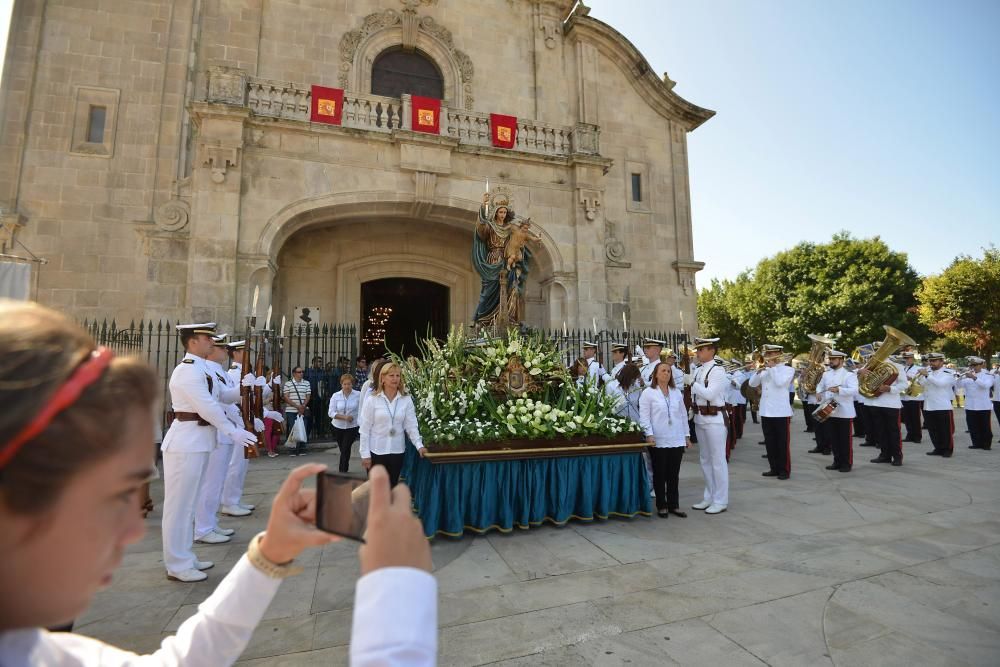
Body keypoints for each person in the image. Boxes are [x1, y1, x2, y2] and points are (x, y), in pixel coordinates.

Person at [159, 323, 259, 582]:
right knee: (178, 507)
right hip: (186, 443)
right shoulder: (187, 371)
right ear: (192, 342)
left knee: (189, 503)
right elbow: (207, 406)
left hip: (199, 442)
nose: (212, 343)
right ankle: (177, 564)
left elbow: (223, 396)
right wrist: (232, 431)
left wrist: (244, 388)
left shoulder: (203, 368)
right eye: (207, 339)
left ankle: (186, 556)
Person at [193, 334, 246, 546]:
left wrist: (251, 387)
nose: (225, 351)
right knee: (210, 482)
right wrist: (238, 424)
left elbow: (227, 397)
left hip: (225, 430)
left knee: (216, 481)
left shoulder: (218, 372)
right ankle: (203, 527)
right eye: (221, 348)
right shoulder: (205, 370)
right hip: (219, 430)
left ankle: (210, 522)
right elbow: (217, 404)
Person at [359, 362, 427, 487]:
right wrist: (365, 454)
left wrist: (419, 445)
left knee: (391, 487)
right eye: (391, 375)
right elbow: (364, 429)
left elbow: (411, 426)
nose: (395, 379)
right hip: (376, 451)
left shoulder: (406, 400)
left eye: (398, 375)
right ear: (382, 378)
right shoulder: (372, 400)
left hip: (397, 451)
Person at [639, 362, 690, 518]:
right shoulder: (648, 393)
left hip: (676, 438)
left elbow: (682, 415)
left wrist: (686, 436)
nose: (666, 373)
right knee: (659, 474)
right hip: (658, 439)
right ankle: (662, 505)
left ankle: (674, 505)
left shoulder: (676, 392)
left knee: (673, 474)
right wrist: (649, 434)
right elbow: (644, 417)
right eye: (663, 371)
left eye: (668, 371)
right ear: (655, 374)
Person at [685, 337, 730, 513]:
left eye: (701, 350)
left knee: (718, 461)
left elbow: (710, 394)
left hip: (715, 420)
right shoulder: (698, 370)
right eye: (697, 350)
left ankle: (721, 500)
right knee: (704, 460)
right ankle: (709, 496)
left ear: (711, 350)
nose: (697, 353)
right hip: (700, 418)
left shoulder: (718, 371)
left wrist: (693, 383)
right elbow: (695, 395)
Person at [749, 344, 795, 480]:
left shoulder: (788, 369)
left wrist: (772, 368)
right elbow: (752, 384)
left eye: (771, 354)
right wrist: (758, 371)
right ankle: (773, 468)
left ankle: (784, 470)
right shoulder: (764, 369)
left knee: (782, 443)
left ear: (779, 354)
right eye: (767, 354)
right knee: (770, 442)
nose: (768, 357)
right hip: (766, 411)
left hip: (780, 412)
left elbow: (780, 383)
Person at [859, 349, 908, 467]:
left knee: (893, 431)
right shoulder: (869, 365)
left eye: (878, 350)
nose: (877, 353)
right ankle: (884, 455)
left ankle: (897, 456)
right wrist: (860, 375)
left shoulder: (896, 366)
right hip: (874, 402)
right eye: (875, 351)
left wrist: (890, 389)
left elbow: (904, 384)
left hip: (890, 403)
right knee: (880, 431)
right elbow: (861, 384)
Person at [815, 350, 858, 472]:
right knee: (834, 439)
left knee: (844, 440)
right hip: (830, 410)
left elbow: (854, 390)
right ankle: (837, 461)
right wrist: (818, 392)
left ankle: (846, 463)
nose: (831, 361)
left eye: (833, 359)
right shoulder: (826, 374)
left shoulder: (849, 374)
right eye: (830, 359)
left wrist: (839, 390)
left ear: (841, 360)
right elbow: (820, 384)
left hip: (844, 412)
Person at [918, 352, 957, 457]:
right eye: (930, 361)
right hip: (929, 405)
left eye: (934, 361)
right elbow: (922, 384)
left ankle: (947, 449)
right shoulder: (929, 372)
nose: (931, 363)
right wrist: (920, 377)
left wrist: (927, 375)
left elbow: (941, 384)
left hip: (942, 405)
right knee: (933, 430)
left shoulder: (949, 372)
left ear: (941, 361)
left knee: (945, 430)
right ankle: (938, 448)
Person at [960, 357, 994, 450]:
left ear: (981, 365)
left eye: (975, 365)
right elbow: (959, 386)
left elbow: (986, 386)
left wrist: (974, 378)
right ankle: (976, 443)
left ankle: (986, 444)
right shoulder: (967, 375)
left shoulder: (988, 374)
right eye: (971, 365)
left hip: (983, 405)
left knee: (985, 426)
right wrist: (959, 377)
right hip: (970, 405)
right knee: (972, 426)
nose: (973, 367)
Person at [329, 373, 361, 472]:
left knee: (346, 447)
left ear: (352, 384)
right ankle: (345, 466)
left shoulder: (358, 395)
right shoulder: (336, 396)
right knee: (343, 449)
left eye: (349, 384)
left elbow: (362, 409)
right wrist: (344, 417)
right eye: (345, 384)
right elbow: (331, 412)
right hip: (338, 426)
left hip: (352, 427)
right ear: (341, 384)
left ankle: (342, 471)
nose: (347, 386)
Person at [283, 366, 312, 456]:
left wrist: (302, 406)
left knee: (303, 428)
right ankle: (293, 448)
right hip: (291, 410)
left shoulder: (306, 383)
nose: (301, 373)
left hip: (303, 410)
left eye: (302, 372)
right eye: (299, 372)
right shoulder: (288, 384)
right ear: (294, 373)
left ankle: (302, 448)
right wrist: (297, 406)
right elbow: (286, 397)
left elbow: (308, 396)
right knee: (293, 428)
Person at [900, 351, 924, 443]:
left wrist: (912, 378)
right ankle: (910, 435)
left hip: (914, 396)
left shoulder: (919, 368)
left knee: (915, 418)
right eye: (905, 359)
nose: (906, 360)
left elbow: (922, 382)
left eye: (908, 358)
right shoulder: (903, 368)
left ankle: (917, 436)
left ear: (912, 359)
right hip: (904, 395)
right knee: (907, 418)